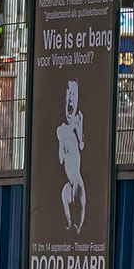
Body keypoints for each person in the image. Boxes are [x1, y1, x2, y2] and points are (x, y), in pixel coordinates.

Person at [57, 76, 87, 231]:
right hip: (69, 181)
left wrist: (79, 128)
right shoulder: (61, 130)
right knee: (64, 195)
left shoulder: (77, 122)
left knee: (81, 203)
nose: (70, 99)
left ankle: (79, 227)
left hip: (77, 179)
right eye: (68, 95)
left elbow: (82, 145)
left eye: (73, 95)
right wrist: (61, 142)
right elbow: (61, 159)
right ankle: (69, 224)